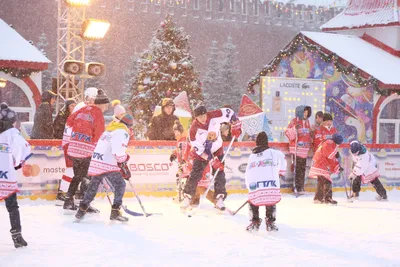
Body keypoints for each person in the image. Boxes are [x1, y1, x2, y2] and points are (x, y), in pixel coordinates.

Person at [180, 105, 242, 211]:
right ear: (196, 118)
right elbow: (199, 150)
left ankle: (219, 198)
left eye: (204, 115)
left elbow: (229, 112)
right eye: (200, 117)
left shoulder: (214, 115)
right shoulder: (193, 130)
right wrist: (211, 160)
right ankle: (187, 196)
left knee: (220, 173)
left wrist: (236, 124)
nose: (203, 118)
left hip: (217, 148)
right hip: (203, 153)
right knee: (195, 174)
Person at [75, 113, 134, 222]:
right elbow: (118, 153)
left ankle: (81, 210)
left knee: (93, 185)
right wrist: (125, 159)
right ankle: (115, 211)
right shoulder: (122, 132)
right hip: (107, 163)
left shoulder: (109, 130)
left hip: (96, 161)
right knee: (120, 184)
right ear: (129, 125)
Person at [62, 89, 109, 212]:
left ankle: (68, 200)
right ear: (100, 104)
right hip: (86, 150)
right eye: (105, 105)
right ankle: (84, 203)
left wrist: (80, 130)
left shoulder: (83, 109)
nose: (106, 108)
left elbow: (69, 121)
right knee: (88, 178)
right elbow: (99, 134)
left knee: (78, 176)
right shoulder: (97, 113)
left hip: (74, 147)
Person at [59, 88, 98, 204]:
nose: (94, 101)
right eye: (92, 98)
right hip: (73, 144)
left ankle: (76, 196)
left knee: (80, 173)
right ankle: (64, 195)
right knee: (73, 170)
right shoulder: (81, 107)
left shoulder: (88, 109)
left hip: (78, 144)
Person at [0, 103, 31, 248]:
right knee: (12, 206)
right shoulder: (12, 133)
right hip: (6, 176)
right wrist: (19, 163)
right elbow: (22, 147)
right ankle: (17, 236)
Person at [245, 132, 286, 232]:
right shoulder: (273, 153)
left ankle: (254, 221)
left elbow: (247, 173)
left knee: (253, 200)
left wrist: (250, 188)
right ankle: (270, 222)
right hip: (270, 184)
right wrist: (281, 172)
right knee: (270, 200)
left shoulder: (252, 156)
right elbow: (283, 159)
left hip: (256, 186)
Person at [169, 120, 214, 205]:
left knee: (198, 186)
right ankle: (190, 199)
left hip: (194, 165)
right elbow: (181, 151)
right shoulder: (181, 140)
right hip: (192, 165)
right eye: (175, 132)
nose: (176, 134)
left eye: (177, 132)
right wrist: (174, 154)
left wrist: (183, 164)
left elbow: (185, 153)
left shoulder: (184, 141)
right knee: (190, 183)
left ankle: (214, 200)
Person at [309, 133, 344, 205]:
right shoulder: (330, 143)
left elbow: (330, 158)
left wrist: (337, 166)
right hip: (320, 164)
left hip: (318, 163)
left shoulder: (327, 143)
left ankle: (318, 198)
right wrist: (336, 155)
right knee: (327, 181)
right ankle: (328, 199)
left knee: (321, 182)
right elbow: (330, 157)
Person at [285, 105, 312, 194]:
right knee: (297, 169)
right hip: (297, 149)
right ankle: (297, 187)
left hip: (304, 150)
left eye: (307, 112)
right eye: (304, 112)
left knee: (302, 169)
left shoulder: (308, 122)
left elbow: (308, 134)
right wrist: (294, 129)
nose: (306, 114)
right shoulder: (294, 121)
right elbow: (288, 133)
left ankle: (301, 186)